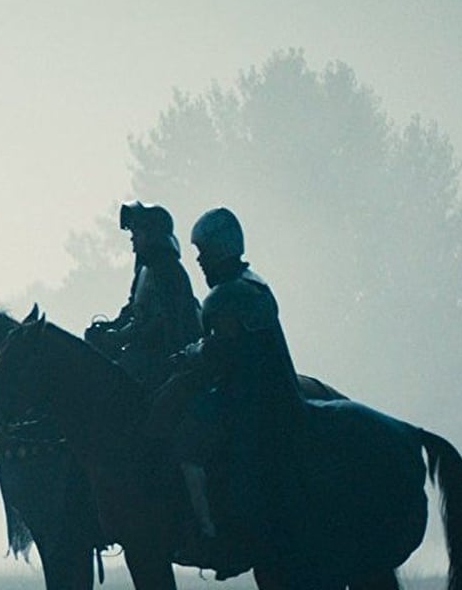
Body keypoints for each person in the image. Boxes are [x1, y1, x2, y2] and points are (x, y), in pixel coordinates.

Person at [160, 208, 304, 578]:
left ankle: (210, 531)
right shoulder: (253, 284)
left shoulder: (225, 296)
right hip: (266, 392)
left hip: (245, 399)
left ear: (220, 250)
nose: (200, 261)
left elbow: (218, 352)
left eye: (204, 253)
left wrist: (187, 355)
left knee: (187, 443)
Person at [85, 202, 201, 388]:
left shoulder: (169, 271)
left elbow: (162, 321)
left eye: (136, 233)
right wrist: (108, 327)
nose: (132, 239)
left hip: (166, 360)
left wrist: (119, 337)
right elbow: (132, 309)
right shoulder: (144, 271)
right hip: (143, 354)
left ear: (152, 234)